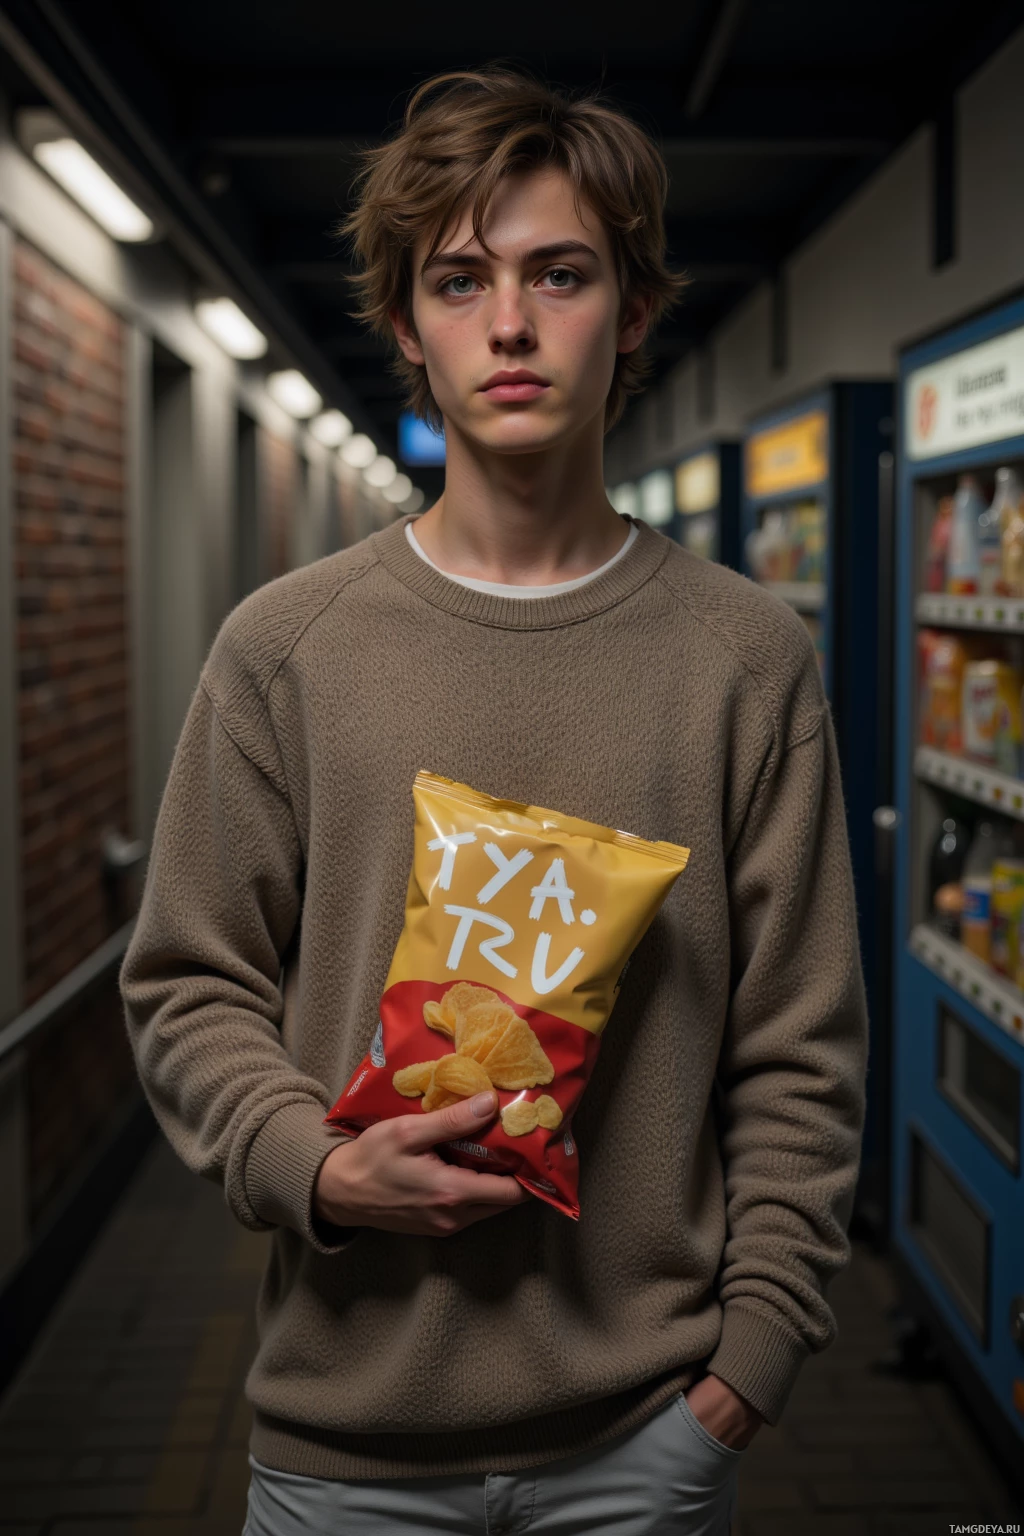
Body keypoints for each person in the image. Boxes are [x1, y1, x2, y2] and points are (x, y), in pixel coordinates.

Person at [121, 68, 868, 1536]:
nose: (509, 324)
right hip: (342, 1449)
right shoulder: (287, 647)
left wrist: (752, 1363)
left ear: (632, 311)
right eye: (459, 281)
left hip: (648, 1439)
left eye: (560, 274)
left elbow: (801, 1041)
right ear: (407, 324)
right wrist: (318, 1170)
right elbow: (190, 982)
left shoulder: (745, 657)